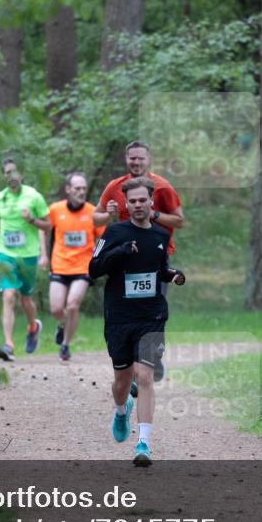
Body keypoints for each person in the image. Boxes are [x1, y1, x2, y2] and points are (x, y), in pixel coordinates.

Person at [89, 176, 186, 466]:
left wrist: (174, 275)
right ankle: (121, 410)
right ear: (126, 205)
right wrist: (119, 252)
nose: (138, 205)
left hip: (151, 316)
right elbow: (94, 269)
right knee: (122, 381)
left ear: (151, 201)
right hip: (119, 316)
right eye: (132, 201)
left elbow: (160, 269)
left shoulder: (160, 235)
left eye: (143, 200)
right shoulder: (114, 232)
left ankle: (143, 443)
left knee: (144, 376)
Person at [93, 141, 185, 382]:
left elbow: (179, 220)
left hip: (154, 258)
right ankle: (133, 368)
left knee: (151, 309)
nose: (136, 162)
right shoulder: (115, 187)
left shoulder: (162, 187)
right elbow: (95, 218)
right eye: (132, 158)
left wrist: (152, 214)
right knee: (125, 313)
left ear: (149, 159)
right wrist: (109, 215)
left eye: (140, 158)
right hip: (122, 261)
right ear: (126, 160)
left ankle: (148, 360)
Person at [0, 157, 51, 362]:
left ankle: (33, 326)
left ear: (21, 175)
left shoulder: (34, 196)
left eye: (14, 172)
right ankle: (9, 345)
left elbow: (48, 226)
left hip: (28, 255)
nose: (11, 176)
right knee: (8, 295)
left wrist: (31, 220)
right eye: (7, 172)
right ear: (3, 176)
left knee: (26, 299)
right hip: (5, 254)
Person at [46, 172, 104, 362]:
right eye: (77, 188)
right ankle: (62, 324)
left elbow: (102, 237)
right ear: (68, 190)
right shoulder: (55, 209)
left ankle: (65, 345)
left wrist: (98, 256)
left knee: (72, 305)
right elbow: (44, 229)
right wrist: (42, 255)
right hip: (60, 264)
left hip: (82, 266)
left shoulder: (92, 211)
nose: (81, 192)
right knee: (56, 308)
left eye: (84, 188)